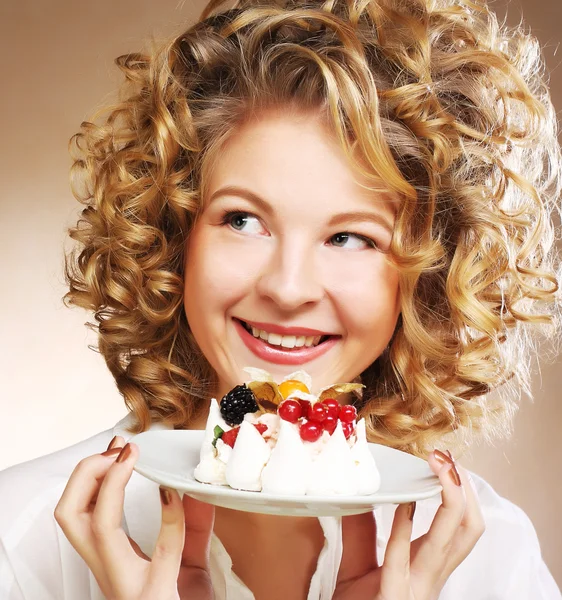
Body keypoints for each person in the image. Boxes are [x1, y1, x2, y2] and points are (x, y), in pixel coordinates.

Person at [1, 0, 561, 598]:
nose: (288, 289)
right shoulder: (23, 537)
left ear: (429, 277)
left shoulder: (495, 561)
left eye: (349, 238)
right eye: (242, 220)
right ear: (173, 237)